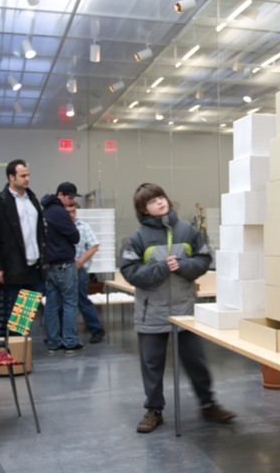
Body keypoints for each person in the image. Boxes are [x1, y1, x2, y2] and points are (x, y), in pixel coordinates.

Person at [121, 183, 235, 433]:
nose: (160, 202)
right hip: (151, 312)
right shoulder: (137, 238)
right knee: (152, 364)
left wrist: (182, 266)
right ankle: (153, 410)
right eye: (152, 201)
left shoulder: (187, 231)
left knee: (196, 360)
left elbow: (204, 259)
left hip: (185, 310)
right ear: (144, 209)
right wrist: (161, 268)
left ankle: (208, 404)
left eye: (161, 197)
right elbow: (130, 272)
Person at [0, 159, 45, 336]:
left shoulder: (32, 200)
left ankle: (20, 348)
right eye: (23, 175)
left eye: (28, 175)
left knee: (25, 317)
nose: (27, 179)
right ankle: (12, 349)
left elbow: (39, 232)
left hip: (34, 267)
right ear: (11, 177)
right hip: (12, 267)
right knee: (12, 315)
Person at [41, 182, 82, 353]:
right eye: (70, 197)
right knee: (70, 303)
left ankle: (53, 341)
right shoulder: (59, 212)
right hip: (64, 264)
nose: (72, 201)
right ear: (60, 195)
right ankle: (70, 341)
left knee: (51, 305)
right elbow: (75, 237)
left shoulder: (45, 211)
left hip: (49, 265)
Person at [66, 203, 105, 344]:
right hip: (62, 269)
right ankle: (61, 335)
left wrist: (80, 262)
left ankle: (96, 329)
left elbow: (94, 245)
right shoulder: (58, 226)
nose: (71, 214)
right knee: (62, 303)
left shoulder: (82, 226)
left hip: (78, 269)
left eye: (73, 211)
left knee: (82, 300)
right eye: (68, 212)